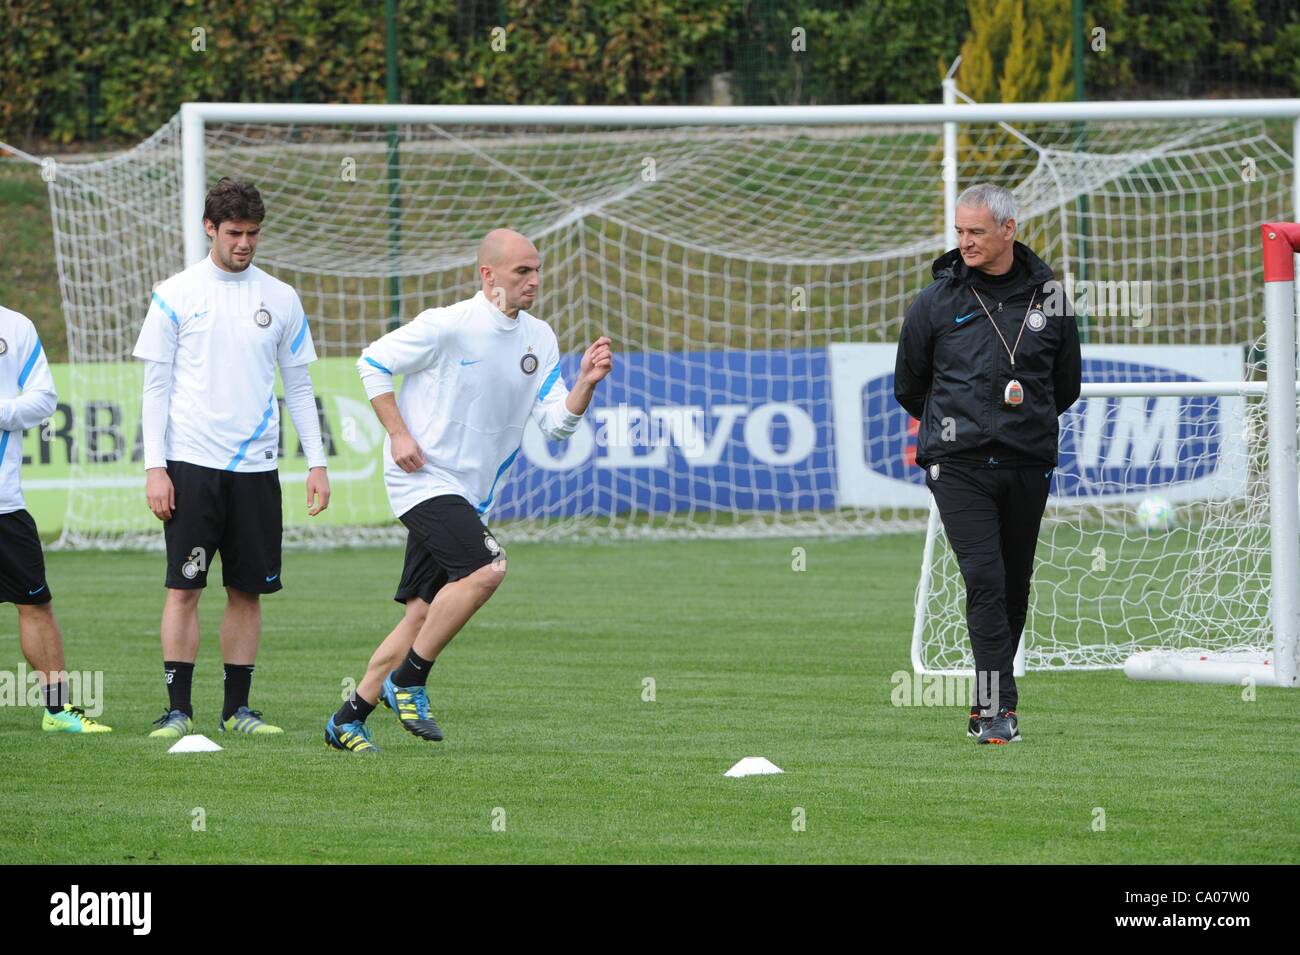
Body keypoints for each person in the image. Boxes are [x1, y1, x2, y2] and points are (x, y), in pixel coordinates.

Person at [323, 228, 612, 754]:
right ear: (488, 275)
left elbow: (554, 425)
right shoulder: (448, 325)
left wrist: (585, 385)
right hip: (424, 478)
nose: (534, 280)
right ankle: (409, 680)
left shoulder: (539, 338)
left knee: (419, 614)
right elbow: (372, 362)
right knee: (488, 568)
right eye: (521, 271)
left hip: (472, 494)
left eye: (536, 270)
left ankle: (348, 719)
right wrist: (398, 433)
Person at [133, 177, 331, 738]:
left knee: (248, 590)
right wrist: (156, 467)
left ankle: (237, 710)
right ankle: (178, 710)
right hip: (191, 465)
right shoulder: (175, 293)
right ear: (210, 229)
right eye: (235, 233)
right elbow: (155, 386)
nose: (245, 243)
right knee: (185, 587)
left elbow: (297, 387)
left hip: (256, 470)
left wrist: (316, 463)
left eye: (253, 234)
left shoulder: (282, 298)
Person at [894, 183, 1081, 745]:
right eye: (959, 231)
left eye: (976, 231)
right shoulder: (937, 300)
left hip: (1027, 462)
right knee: (985, 578)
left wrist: (1021, 425)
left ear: (1009, 229)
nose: (965, 242)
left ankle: (984, 703)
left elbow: (1065, 384)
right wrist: (961, 427)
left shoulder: (1051, 296)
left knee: (1014, 583)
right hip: (958, 463)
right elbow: (910, 385)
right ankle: (1000, 711)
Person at [1, 304, 111, 733]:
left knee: (35, 604)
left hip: (4, 505)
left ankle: (58, 711)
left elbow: (44, 398)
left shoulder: (16, 327)